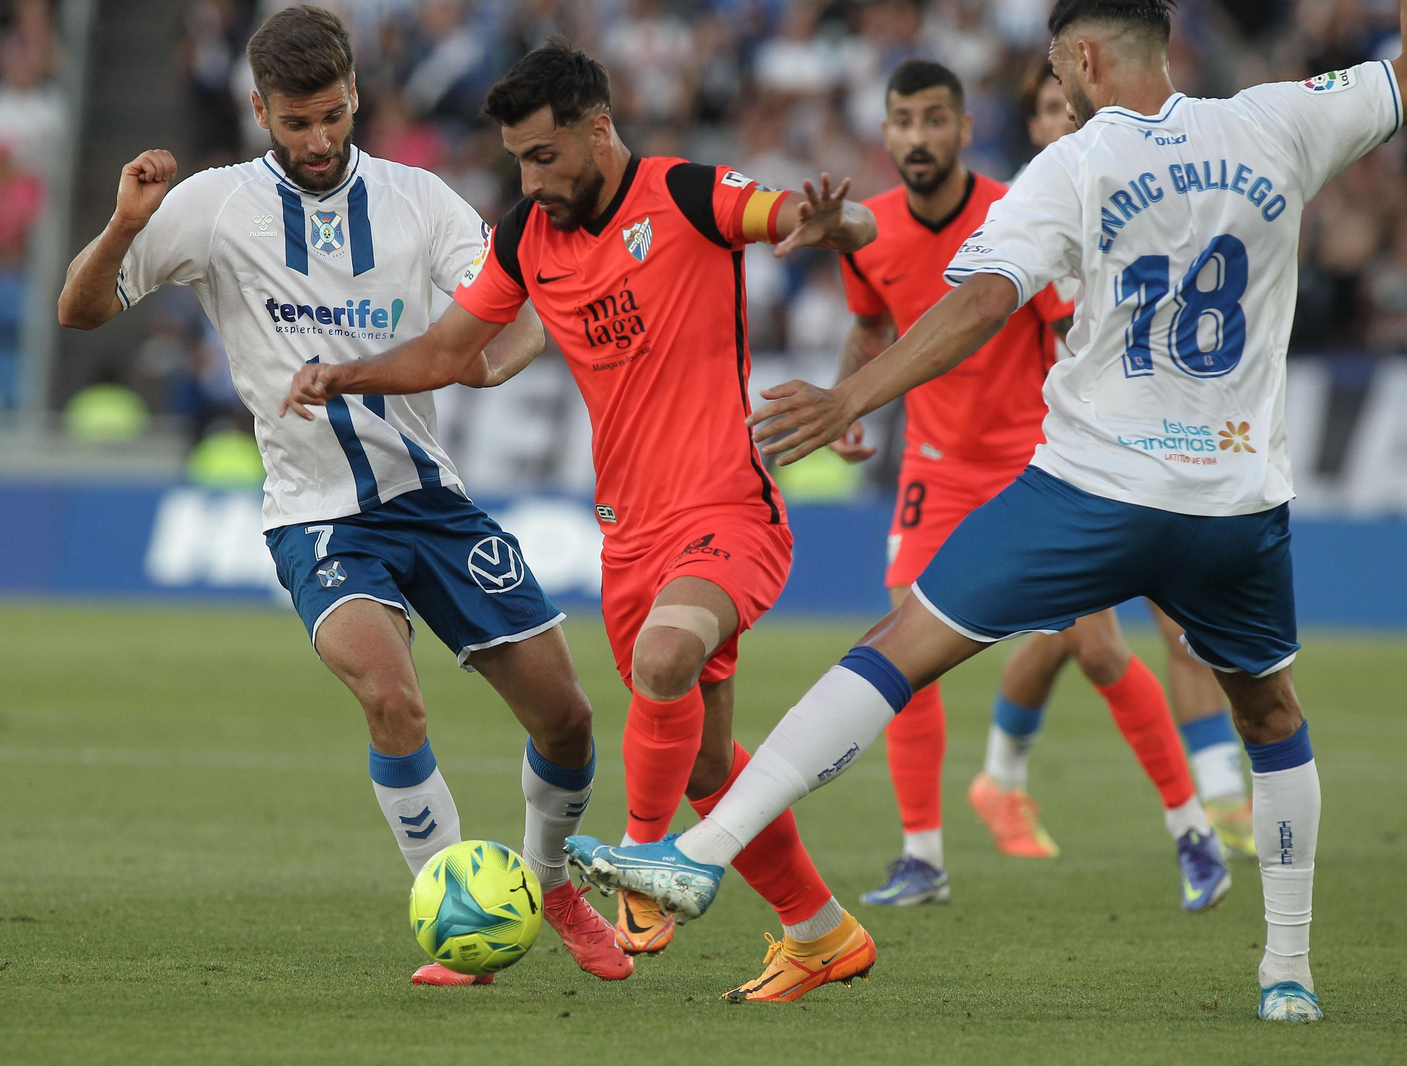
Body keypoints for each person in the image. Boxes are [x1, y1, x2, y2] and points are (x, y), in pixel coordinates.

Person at [567, 0, 1402, 1023]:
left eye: (1060, 66)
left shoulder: (1072, 166)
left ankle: (701, 851)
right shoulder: (1279, 119)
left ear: (1084, 56)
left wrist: (847, 397)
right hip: (1232, 503)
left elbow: (974, 304)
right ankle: (1287, 972)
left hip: (1091, 491)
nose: (1062, 86)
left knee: (896, 646)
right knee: (1270, 713)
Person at [281, 41, 882, 1002]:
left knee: (663, 659)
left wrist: (828, 221)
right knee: (707, 766)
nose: (530, 179)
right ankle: (820, 932)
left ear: (598, 131)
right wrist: (343, 374)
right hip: (630, 535)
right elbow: (452, 349)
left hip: (729, 506)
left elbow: (781, 215)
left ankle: (642, 863)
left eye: (544, 157)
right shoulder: (529, 239)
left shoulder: (684, 194)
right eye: (519, 160)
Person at [57, 6, 630, 989]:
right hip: (315, 515)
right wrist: (123, 224)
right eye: (295, 123)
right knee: (390, 696)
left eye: (331, 116)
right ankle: (455, 916)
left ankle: (548, 888)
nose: (317, 140)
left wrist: (499, 363)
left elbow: (513, 308)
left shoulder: (421, 202)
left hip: (433, 505)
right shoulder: (213, 205)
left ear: (355, 94)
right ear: (259, 111)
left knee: (568, 720)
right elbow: (80, 309)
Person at [833, 57, 1228, 914]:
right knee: (903, 641)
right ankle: (922, 857)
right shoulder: (873, 232)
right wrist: (849, 399)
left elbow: (1075, 335)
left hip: (1034, 463)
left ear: (965, 129)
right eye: (903, 121)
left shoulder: (1021, 211)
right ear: (887, 131)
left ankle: (1192, 829)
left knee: (1097, 648)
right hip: (934, 471)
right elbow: (870, 322)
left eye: (935, 120)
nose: (918, 137)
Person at [966, 62, 1255, 863]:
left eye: (1072, 105)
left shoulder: (1131, 186)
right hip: (1059, 449)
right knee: (1087, 640)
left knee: (1167, 622)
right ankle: (1009, 780)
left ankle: (1220, 797)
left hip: (1136, 440)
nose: (1066, 118)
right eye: (1050, 110)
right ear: (1033, 126)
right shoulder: (1038, 201)